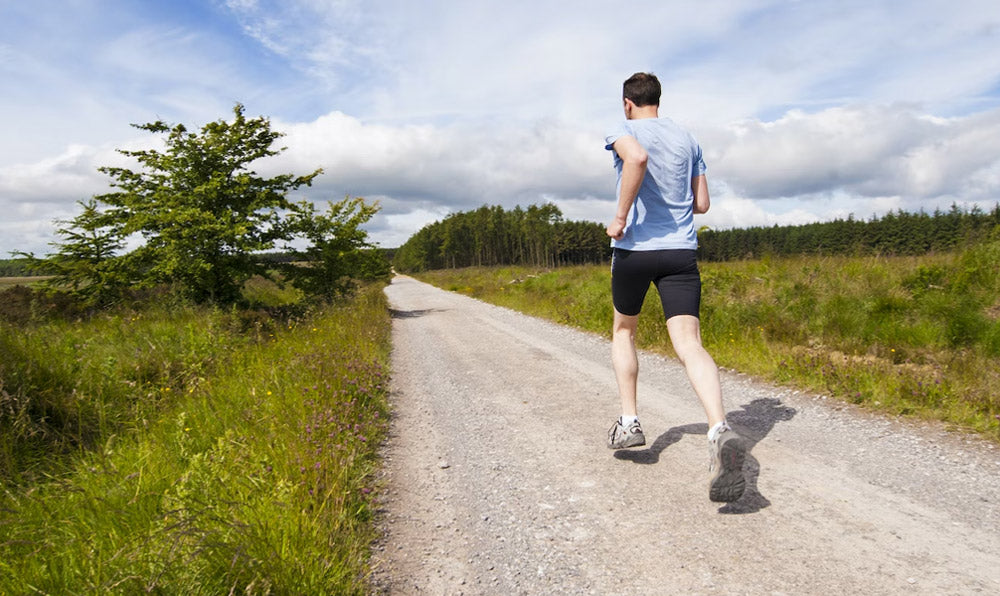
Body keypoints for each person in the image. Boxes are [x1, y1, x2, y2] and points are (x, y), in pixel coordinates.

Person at [604, 72, 745, 503]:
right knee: (689, 343)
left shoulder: (623, 130)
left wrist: (621, 217)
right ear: (657, 100)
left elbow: (637, 159)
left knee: (624, 330)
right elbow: (701, 203)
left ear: (628, 103)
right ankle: (719, 427)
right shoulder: (687, 138)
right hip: (681, 252)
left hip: (635, 251)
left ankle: (630, 423)